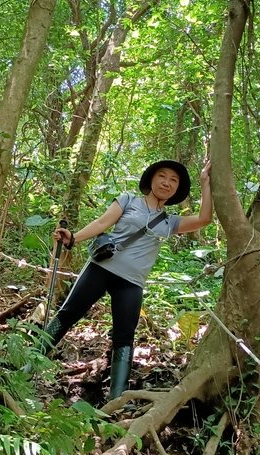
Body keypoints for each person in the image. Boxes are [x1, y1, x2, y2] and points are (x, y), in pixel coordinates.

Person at [41, 160, 213, 403]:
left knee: (124, 336)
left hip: (131, 284)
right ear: (151, 180)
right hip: (100, 269)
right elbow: (102, 223)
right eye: (162, 176)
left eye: (173, 180)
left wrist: (206, 182)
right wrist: (73, 239)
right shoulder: (128, 200)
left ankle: (116, 398)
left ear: (177, 189)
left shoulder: (170, 222)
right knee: (67, 314)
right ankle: (28, 362)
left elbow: (205, 219)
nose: (166, 182)